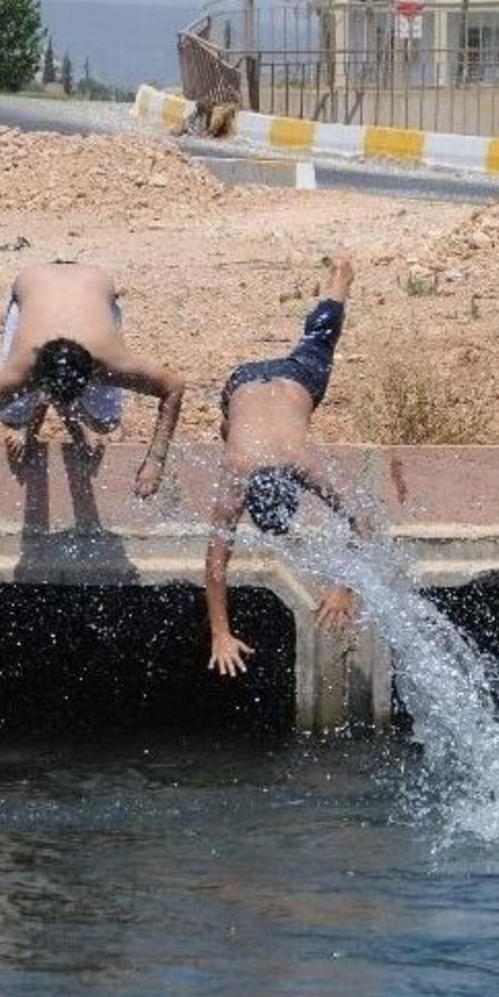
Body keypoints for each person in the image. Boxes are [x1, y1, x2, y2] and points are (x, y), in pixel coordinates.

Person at [206, 253, 368, 678]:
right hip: (240, 380)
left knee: (321, 338)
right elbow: (361, 522)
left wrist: (342, 589)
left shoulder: (280, 467)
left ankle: (341, 279)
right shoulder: (243, 470)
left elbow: (216, 563)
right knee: (235, 425)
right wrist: (219, 634)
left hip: (294, 380)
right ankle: (339, 279)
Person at [0, 262, 185, 523]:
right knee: (12, 417)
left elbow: (174, 386)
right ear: (35, 375)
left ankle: (66, 409)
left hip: (95, 289)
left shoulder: (110, 359)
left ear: (94, 372)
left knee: (104, 421)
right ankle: (35, 414)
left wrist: (155, 461)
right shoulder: (22, 367)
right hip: (31, 287)